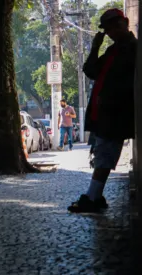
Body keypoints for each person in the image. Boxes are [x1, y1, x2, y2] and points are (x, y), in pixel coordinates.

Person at [68, 8, 137, 213]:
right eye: (107, 30)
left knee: (104, 156)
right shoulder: (112, 51)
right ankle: (95, 196)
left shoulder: (133, 49)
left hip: (115, 114)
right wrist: (95, 47)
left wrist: (111, 101)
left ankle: (92, 197)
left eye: (114, 27)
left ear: (124, 22)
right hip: (103, 114)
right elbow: (90, 71)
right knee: (101, 155)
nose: (112, 32)